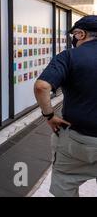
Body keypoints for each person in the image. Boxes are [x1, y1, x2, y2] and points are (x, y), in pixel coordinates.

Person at [34, 15, 97, 197]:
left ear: (80, 34)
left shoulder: (68, 56)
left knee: (65, 182)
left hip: (78, 140)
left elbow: (41, 86)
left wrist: (49, 116)